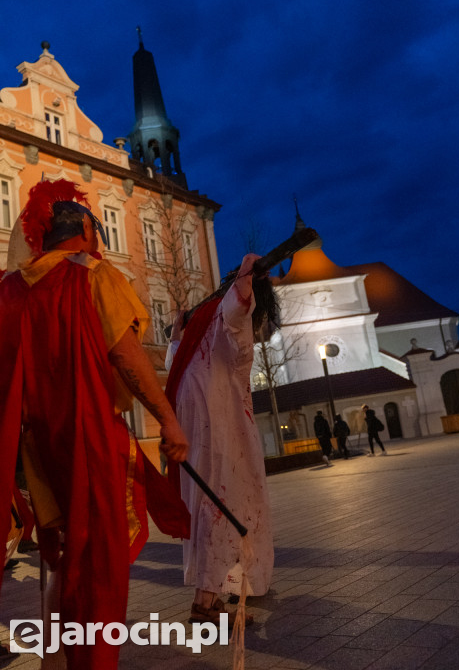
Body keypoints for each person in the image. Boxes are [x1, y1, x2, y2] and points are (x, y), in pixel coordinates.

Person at [0, 179, 190, 670]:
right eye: (98, 229)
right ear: (85, 229)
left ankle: (57, 661)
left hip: (37, 448)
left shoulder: (10, 289)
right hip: (90, 437)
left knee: (59, 560)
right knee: (101, 568)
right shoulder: (94, 275)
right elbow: (126, 356)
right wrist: (168, 420)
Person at [165, 253, 275, 626]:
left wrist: (177, 332)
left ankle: (212, 596)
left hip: (198, 428)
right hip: (219, 428)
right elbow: (236, 311)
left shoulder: (204, 329)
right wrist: (246, 276)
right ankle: (205, 605)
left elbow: (173, 360)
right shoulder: (219, 321)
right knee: (221, 503)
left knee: (209, 505)